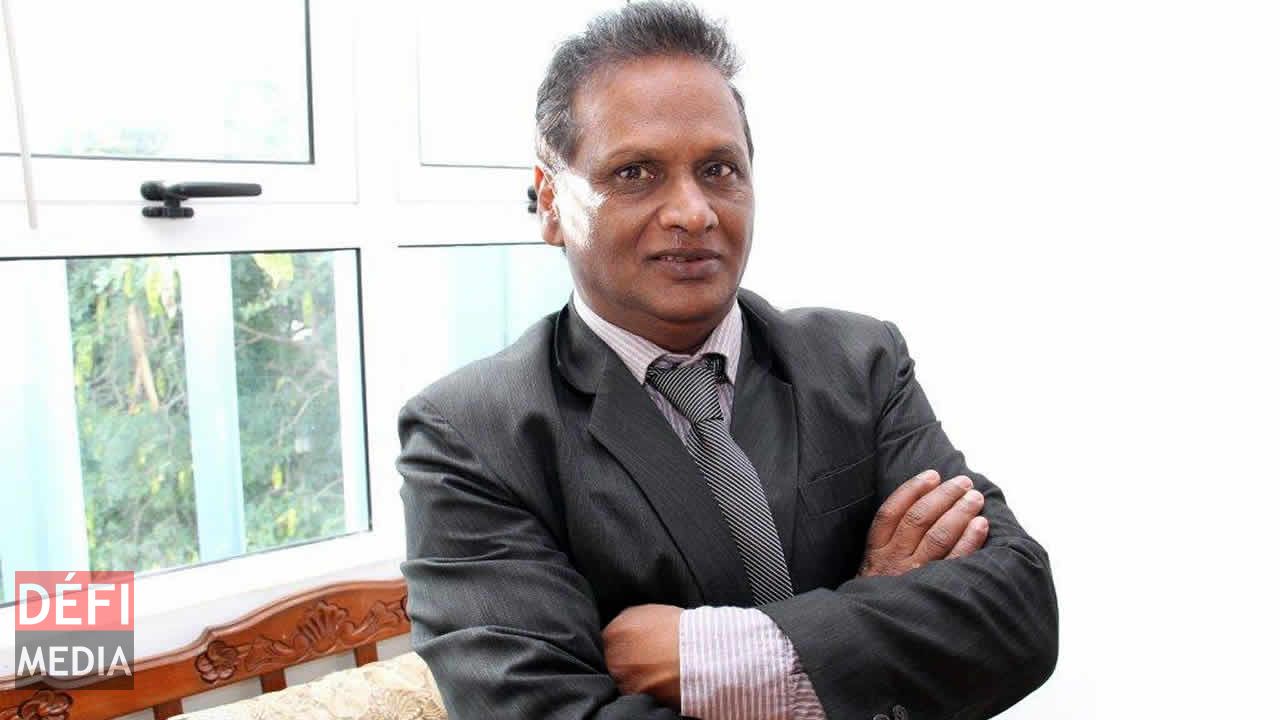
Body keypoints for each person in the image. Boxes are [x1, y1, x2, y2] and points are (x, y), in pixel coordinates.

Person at [397, 2, 1058, 718]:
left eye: (718, 169)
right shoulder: (472, 436)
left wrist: (712, 657)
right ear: (552, 202)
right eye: (636, 173)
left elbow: (1018, 610)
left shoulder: (860, 362)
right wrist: (871, 619)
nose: (693, 212)